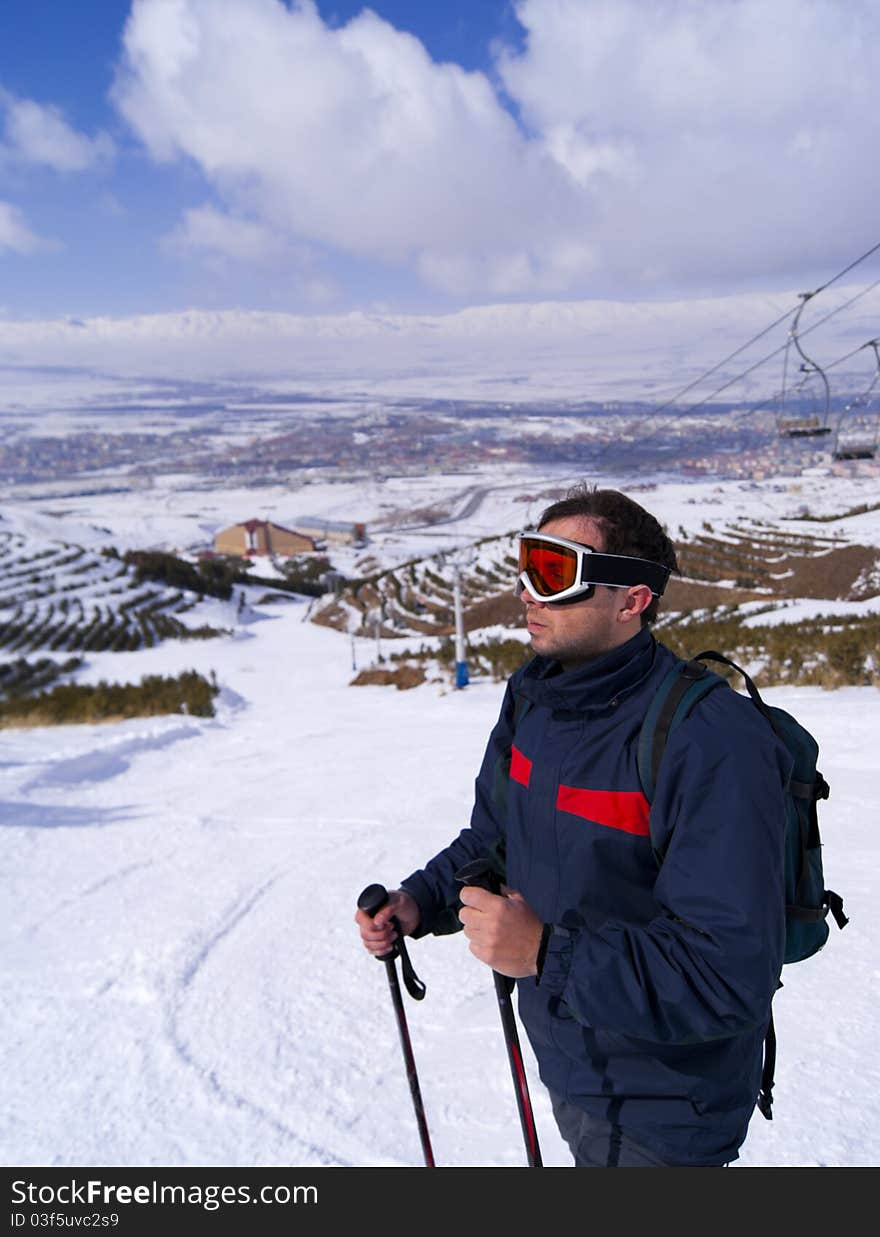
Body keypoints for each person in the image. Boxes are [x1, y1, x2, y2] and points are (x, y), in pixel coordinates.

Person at [355, 484, 789, 1168]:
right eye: (526, 562)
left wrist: (544, 954)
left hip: (667, 1108)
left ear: (631, 599)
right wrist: (420, 900)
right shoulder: (535, 697)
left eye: (554, 570)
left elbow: (727, 971)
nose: (528, 590)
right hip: (569, 1062)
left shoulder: (708, 739)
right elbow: (497, 837)